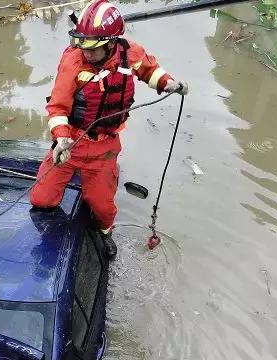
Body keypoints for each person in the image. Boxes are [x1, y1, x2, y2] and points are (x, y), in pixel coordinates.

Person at [30, 0, 189, 259]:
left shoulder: (130, 54)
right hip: (71, 142)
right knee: (42, 199)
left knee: (103, 208)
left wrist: (168, 83)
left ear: (112, 42)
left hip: (104, 147)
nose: (87, 53)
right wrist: (60, 141)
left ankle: (105, 233)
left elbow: (149, 69)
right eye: (83, 45)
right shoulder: (74, 62)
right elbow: (57, 107)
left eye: (93, 49)